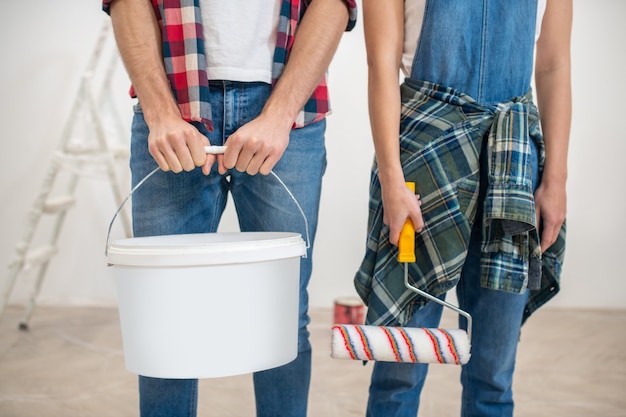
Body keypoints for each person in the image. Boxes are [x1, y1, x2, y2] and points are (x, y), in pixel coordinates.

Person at [102, 0, 357, 416]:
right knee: (163, 312)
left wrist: (279, 116)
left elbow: (334, 4)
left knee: (284, 313)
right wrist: (160, 113)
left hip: (287, 108)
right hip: (173, 105)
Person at [354, 0, 572, 416]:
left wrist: (555, 179)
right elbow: (381, 62)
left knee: (492, 375)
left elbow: (554, 64)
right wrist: (391, 177)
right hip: (426, 156)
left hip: (511, 163)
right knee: (400, 367)